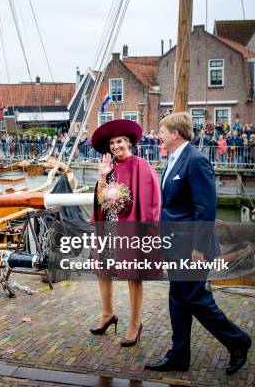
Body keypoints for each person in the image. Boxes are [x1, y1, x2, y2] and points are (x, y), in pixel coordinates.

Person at [145, 112, 252, 375]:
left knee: (195, 298)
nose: (158, 136)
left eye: (162, 131)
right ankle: (179, 355)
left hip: (192, 248)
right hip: (174, 244)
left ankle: (238, 341)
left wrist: (200, 249)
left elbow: (206, 210)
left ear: (175, 134)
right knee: (178, 299)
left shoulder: (196, 161)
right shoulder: (172, 160)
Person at [89, 119, 162, 347]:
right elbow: (101, 200)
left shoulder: (141, 165)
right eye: (111, 143)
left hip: (131, 228)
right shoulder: (109, 168)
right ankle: (108, 313)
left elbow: (152, 200)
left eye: (119, 141)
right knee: (103, 270)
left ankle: (135, 323)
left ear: (128, 142)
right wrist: (102, 176)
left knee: (133, 276)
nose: (115, 146)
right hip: (109, 228)